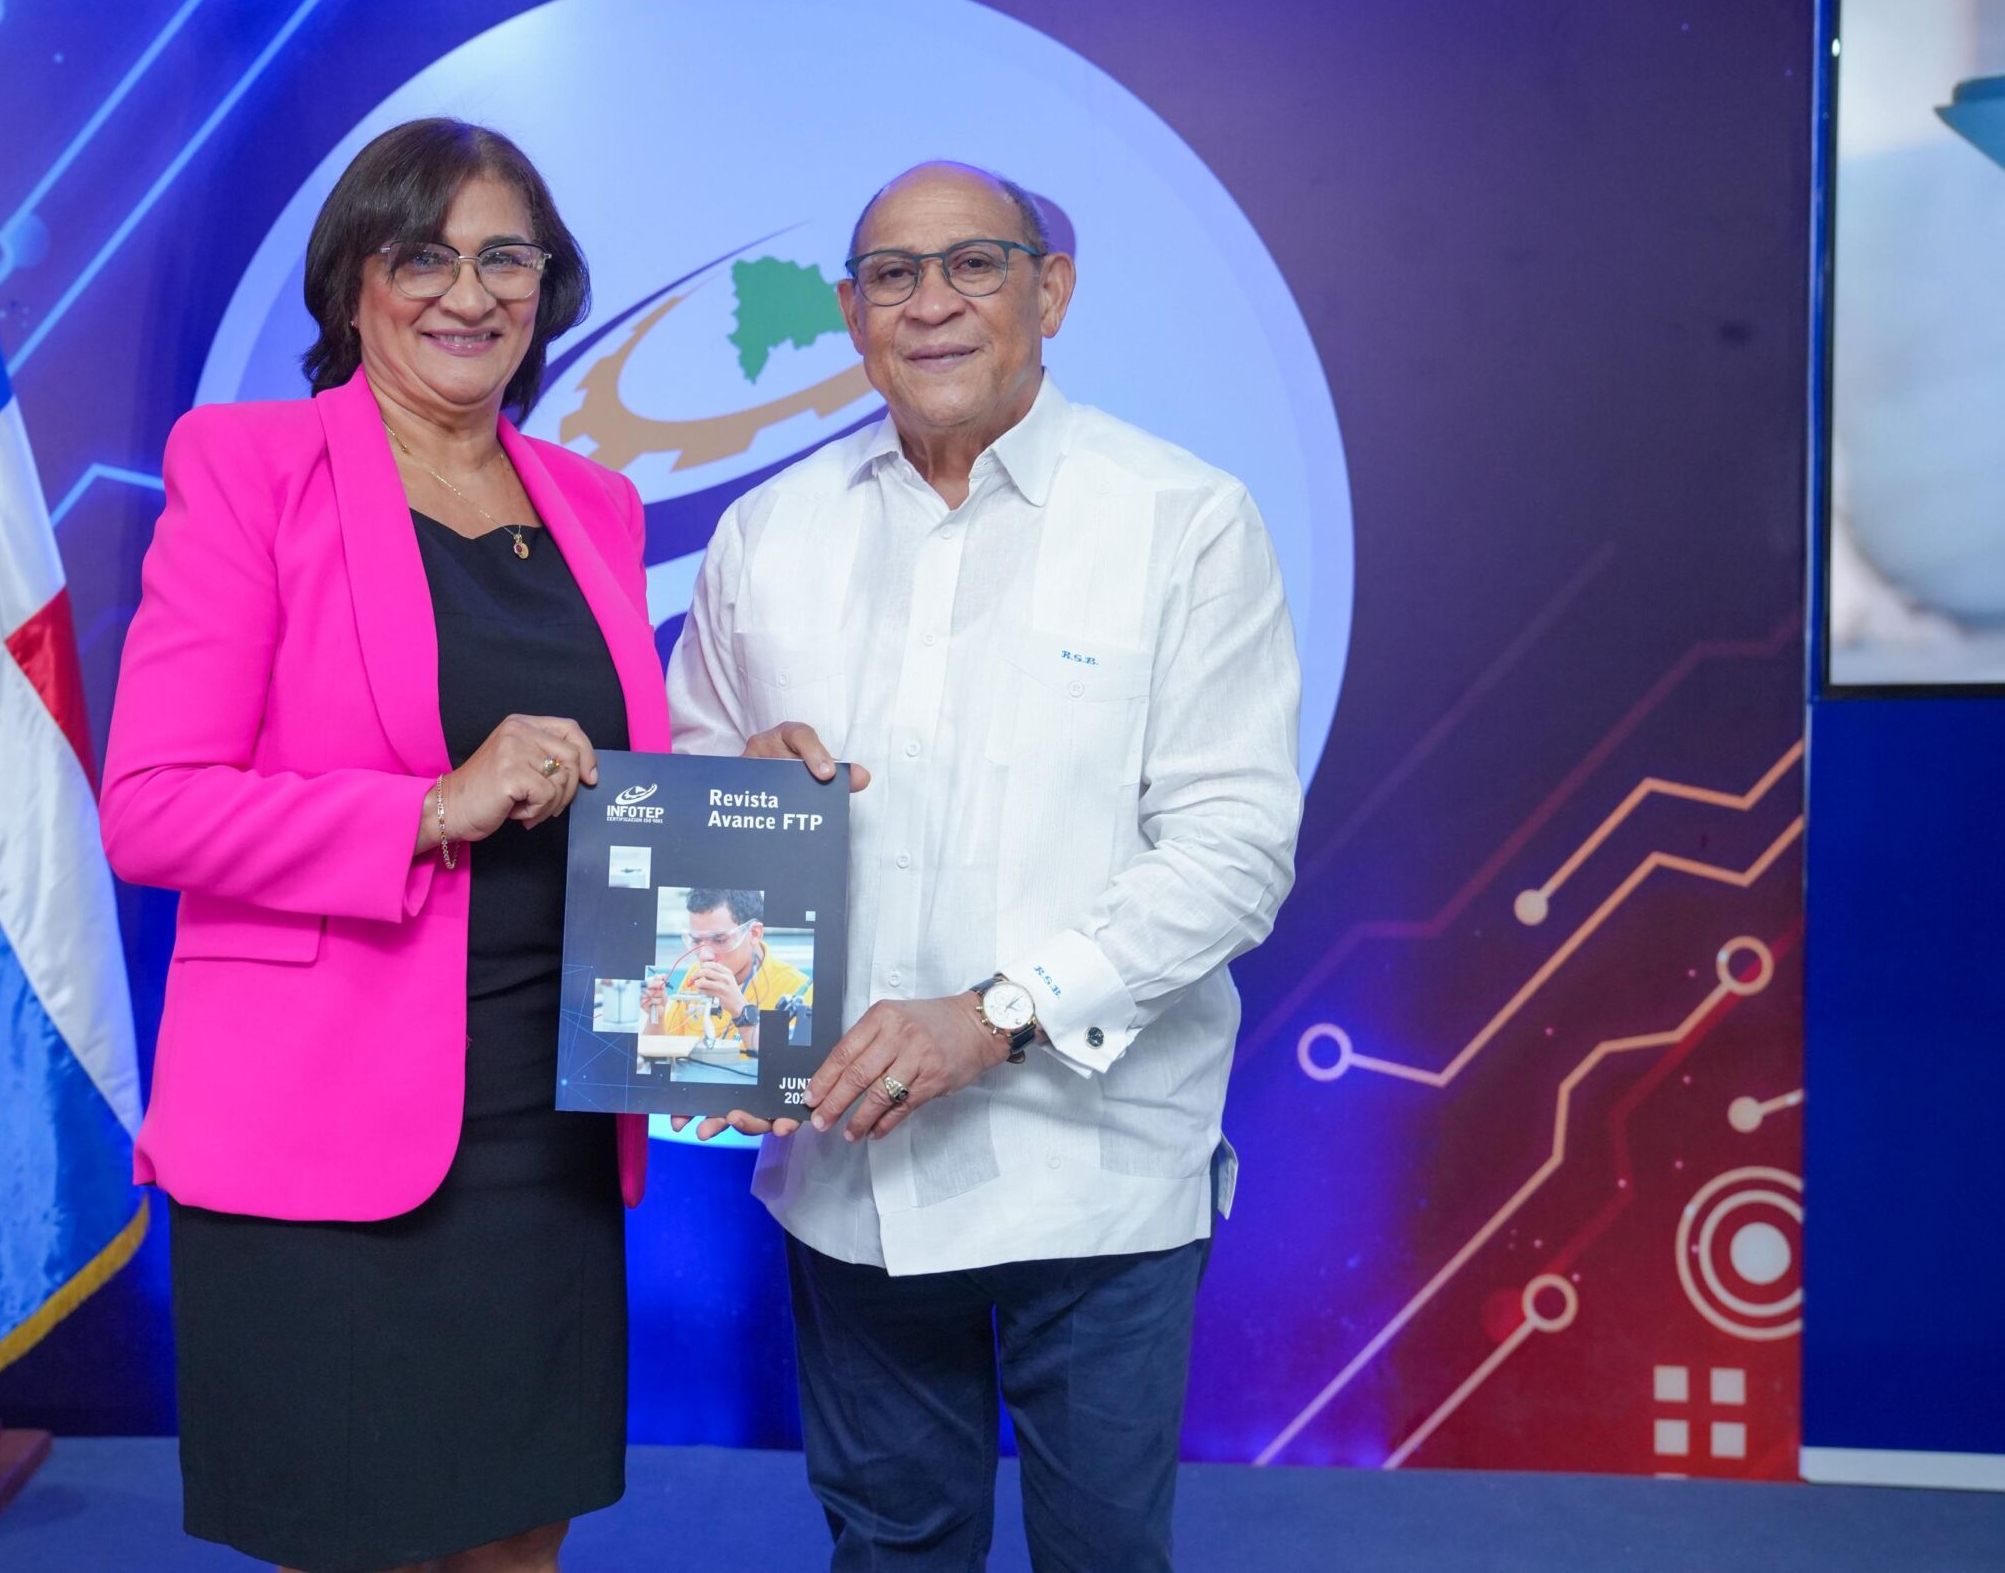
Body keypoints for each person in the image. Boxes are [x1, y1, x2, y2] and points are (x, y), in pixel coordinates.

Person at [667, 161, 1302, 1571]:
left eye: (974, 264)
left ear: (1050, 291)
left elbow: (1233, 852)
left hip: (1099, 1167)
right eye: (892, 275)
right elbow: (691, 805)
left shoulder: (1182, 518)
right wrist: (736, 794)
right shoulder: (770, 532)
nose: (931, 303)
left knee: (1103, 1555)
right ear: (849, 313)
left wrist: (997, 1013)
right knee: (891, 1545)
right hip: (853, 1169)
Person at [100, 118, 671, 1573]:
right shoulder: (250, 467)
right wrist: (426, 806)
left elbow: (606, 771)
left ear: (547, 285)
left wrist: (753, 772)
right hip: (323, 1115)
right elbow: (152, 802)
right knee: (364, 1542)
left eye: (505, 258)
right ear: (353, 282)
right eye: (424, 256)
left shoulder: (596, 502)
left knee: (521, 1535)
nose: (467, 294)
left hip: (547, 1112)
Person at [640, 886, 815, 1047]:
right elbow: (660, 1053)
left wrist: (740, 1009)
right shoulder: (696, 975)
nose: (704, 956)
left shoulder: (798, 991)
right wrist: (657, 1016)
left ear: (754, 933)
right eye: (696, 940)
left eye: (719, 940)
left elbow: (785, 1065)